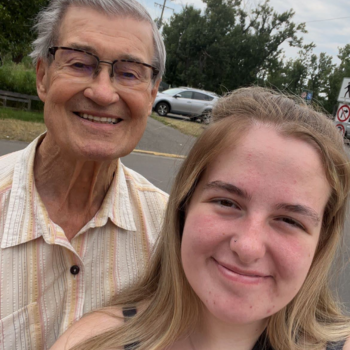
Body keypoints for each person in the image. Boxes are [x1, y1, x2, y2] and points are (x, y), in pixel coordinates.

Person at [52, 87, 350, 350]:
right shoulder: (91, 342)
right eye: (226, 202)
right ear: (183, 206)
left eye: (290, 221)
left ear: (321, 241)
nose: (247, 247)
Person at [0, 0, 168, 348]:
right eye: (79, 63)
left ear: (152, 94)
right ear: (43, 76)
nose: (103, 93)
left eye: (129, 72)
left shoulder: (172, 233)